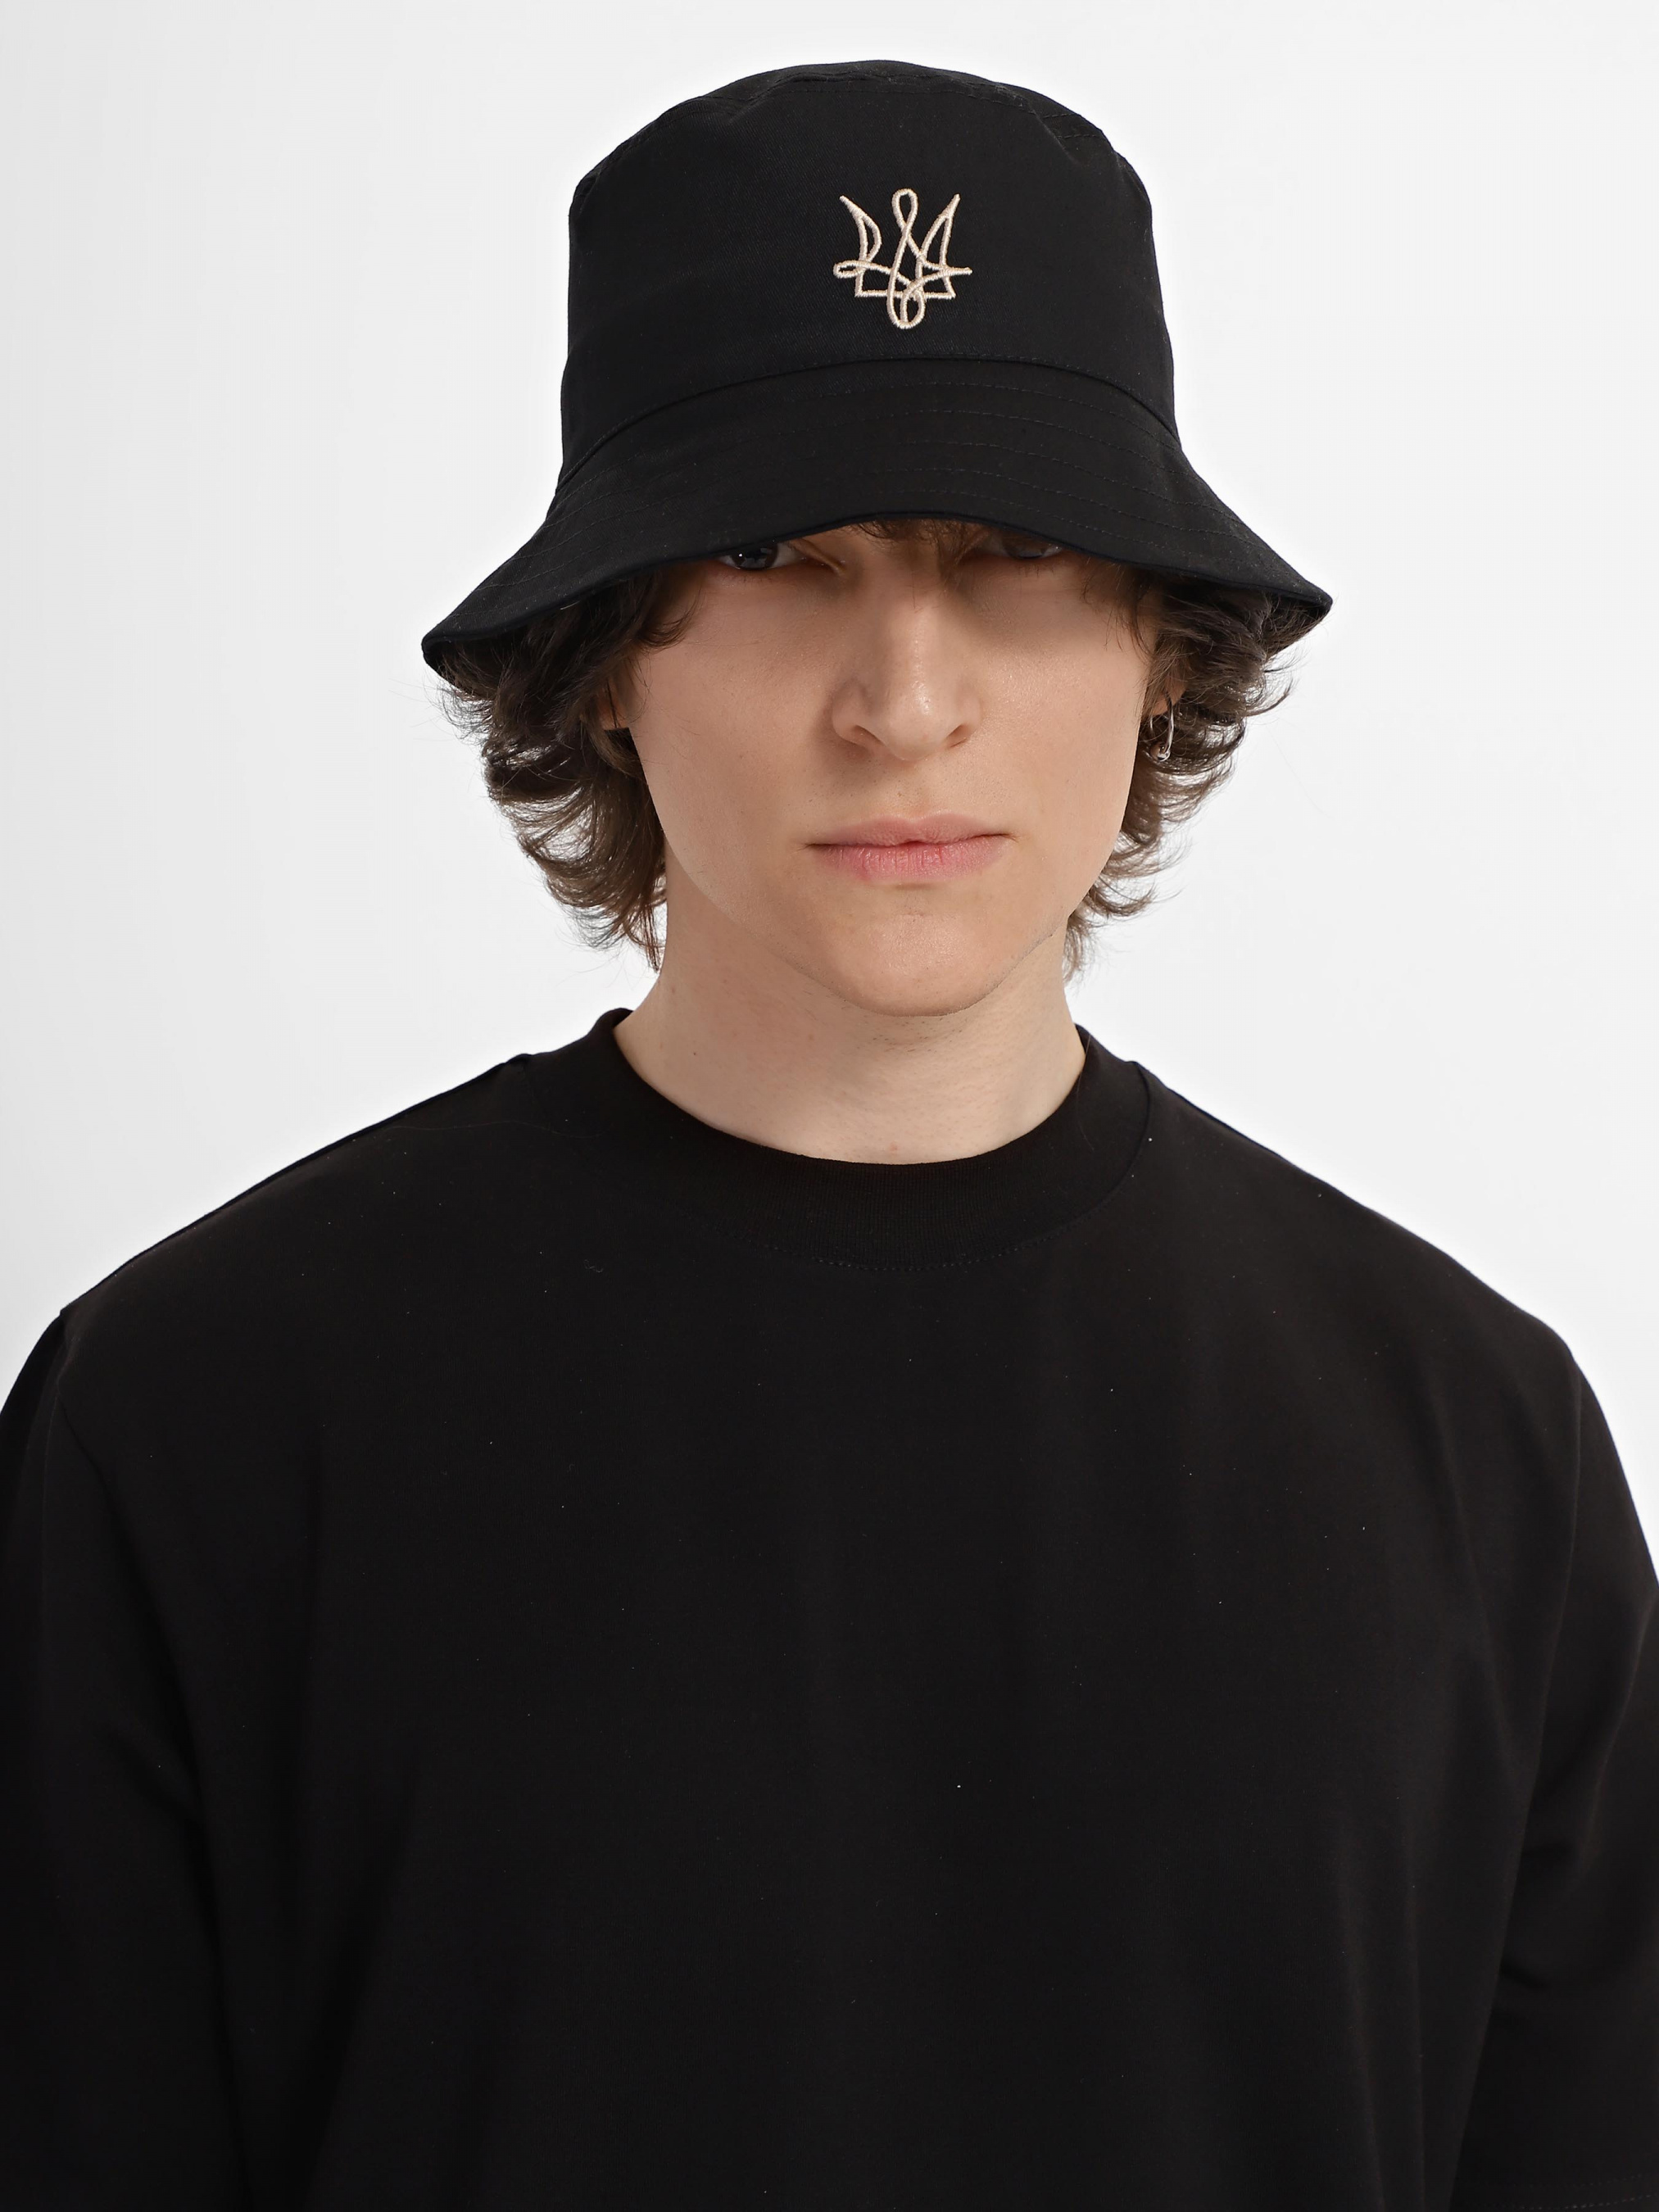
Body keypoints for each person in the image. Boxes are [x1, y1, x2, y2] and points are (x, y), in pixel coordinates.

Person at [2, 57, 1655, 2210]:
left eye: (1019, 552)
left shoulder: (1477, 1454)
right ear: (607, 658)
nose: (903, 699)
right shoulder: (191, 1427)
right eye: (777, 552)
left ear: (1159, 649)